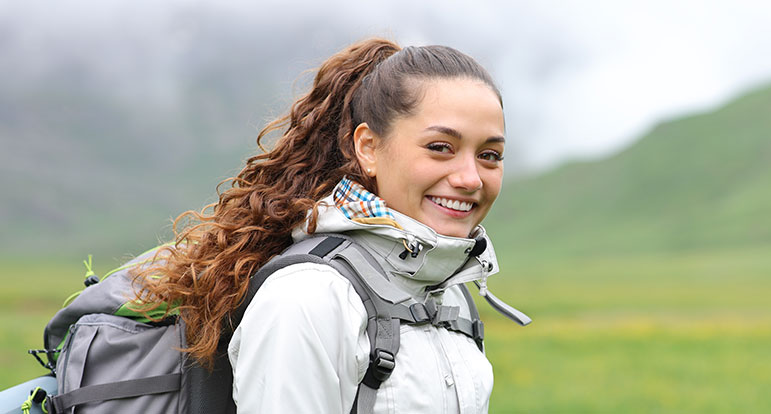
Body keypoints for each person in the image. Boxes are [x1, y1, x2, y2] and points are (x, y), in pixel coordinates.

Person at [137, 37, 508, 413]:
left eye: (490, 156)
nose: (471, 178)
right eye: (440, 147)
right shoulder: (308, 298)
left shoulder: (452, 294)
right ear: (367, 147)